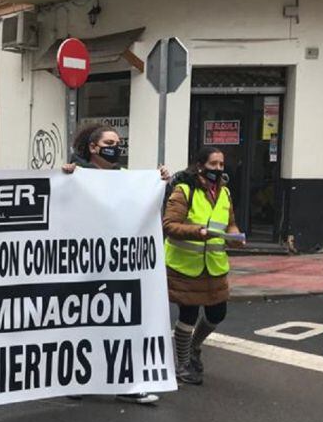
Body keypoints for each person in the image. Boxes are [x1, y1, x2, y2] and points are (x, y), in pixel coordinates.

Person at [62, 123, 169, 405]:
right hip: (84, 266)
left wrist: (159, 183)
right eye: (110, 141)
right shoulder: (74, 174)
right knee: (84, 324)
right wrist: (65, 179)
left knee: (123, 323)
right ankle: (79, 377)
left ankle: (127, 382)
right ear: (93, 147)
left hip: (119, 266)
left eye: (118, 141)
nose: (116, 146)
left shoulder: (124, 177)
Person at [162, 146, 244, 385]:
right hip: (185, 265)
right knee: (188, 314)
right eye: (213, 164)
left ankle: (195, 347)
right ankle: (182, 363)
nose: (218, 169)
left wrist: (235, 235)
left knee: (217, 313)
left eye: (221, 164)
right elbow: (169, 225)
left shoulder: (224, 193)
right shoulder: (183, 190)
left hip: (215, 266)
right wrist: (198, 232)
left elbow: (230, 223)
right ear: (200, 165)